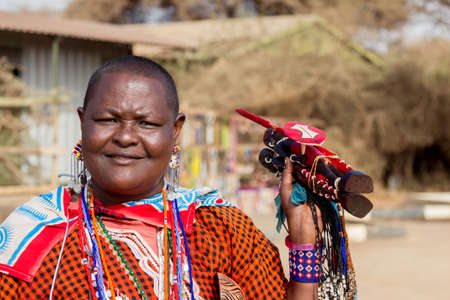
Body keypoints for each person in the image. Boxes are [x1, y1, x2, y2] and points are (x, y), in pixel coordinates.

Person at [0, 56, 328, 299]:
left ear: (175, 131)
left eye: (147, 123)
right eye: (107, 120)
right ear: (83, 124)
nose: (126, 137)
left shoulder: (222, 228)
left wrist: (303, 244)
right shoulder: (32, 236)